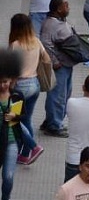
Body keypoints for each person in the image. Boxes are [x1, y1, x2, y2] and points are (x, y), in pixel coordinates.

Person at [8, 14, 48, 165]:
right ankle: (25, 155)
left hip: (20, 87)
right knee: (26, 119)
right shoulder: (36, 41)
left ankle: (34, 146)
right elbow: (46, 58)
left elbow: (12, 70)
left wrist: (10, 87)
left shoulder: (15, 45)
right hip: (35, 85)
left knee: (12, 119)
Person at [40, 0, 77, 137]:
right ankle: (54, 125)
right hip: (59, 66)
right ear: (58, 8)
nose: (69, 8)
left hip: (67, 64)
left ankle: (51, 120)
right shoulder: (50, 24)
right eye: (66, 6)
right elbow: (45, 44)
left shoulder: (60, 21)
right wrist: (54, 61)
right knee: (58, 96)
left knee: (65, 94)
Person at [0, 54, 25, 200]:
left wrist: (15, 116)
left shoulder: (16, 95)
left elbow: (22, 116)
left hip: (11, 140)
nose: (3, 85)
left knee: (8, 176)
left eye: (5, 82)